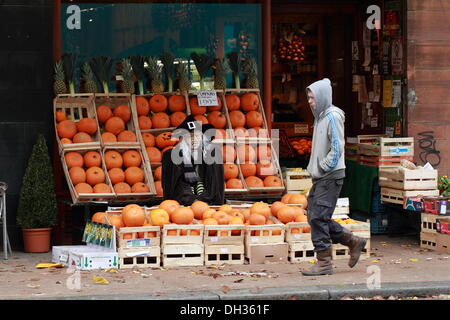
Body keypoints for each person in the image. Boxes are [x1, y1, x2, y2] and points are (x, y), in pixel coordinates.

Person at [301, 78, 367, 276]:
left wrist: (323, 167)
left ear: (322, 97)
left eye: (313, 97)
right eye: (309, 97)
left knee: (319, 218)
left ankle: (324, 263)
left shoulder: (332, 116)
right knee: (315, 217)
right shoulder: (320, 116)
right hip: (323, 176)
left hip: (330, 175)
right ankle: (353, 241)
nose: (310, 101)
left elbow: (338, 147)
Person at [162, 115, 225, 206]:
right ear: (182, 140)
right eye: (190, 136)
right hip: (183, 206)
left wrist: (204, 200)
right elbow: (178, 187)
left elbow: (215, 187)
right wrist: (192, 200)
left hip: (208, 205)